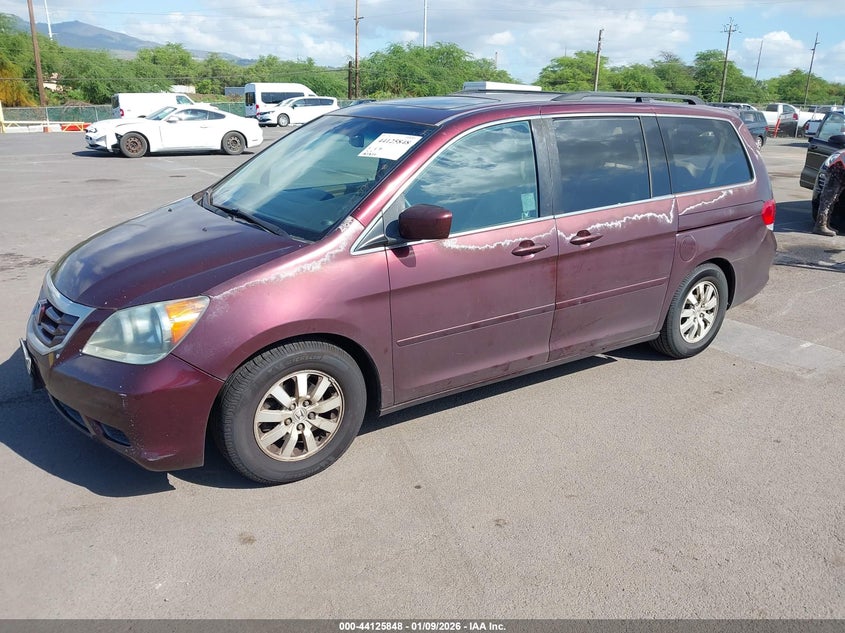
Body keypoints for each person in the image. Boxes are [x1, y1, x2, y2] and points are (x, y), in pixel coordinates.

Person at [814, 152, 845, 236]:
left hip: (840, 168)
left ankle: (826, 224)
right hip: (838, 169)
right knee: (828, 199)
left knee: (833, 199)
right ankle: (820, 226)